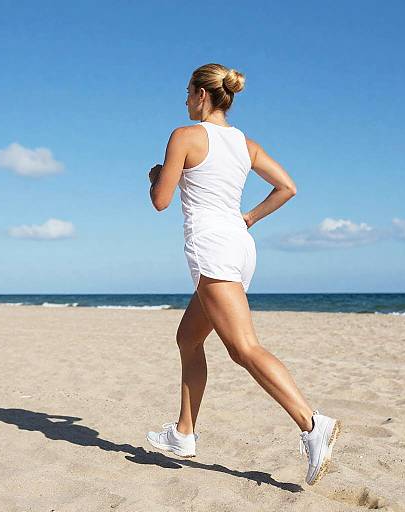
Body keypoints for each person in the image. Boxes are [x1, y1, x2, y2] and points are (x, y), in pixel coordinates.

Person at [146, 63, 341, 486]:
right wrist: (249, 217)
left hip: (211, 246)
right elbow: (287, 187)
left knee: (243, 347)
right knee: (188, 338)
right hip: (239, 244)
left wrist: (156, 177)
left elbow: (162, 201)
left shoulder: (184, 136)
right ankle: (183, 433)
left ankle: (312, 424)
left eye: (186, 92)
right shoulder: (246, 144)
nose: (184, 101)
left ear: (201, 95)